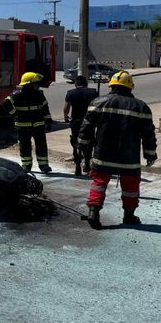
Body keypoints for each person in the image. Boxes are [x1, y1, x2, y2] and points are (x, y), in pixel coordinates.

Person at [77, 71, 157, 229]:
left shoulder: (99, 102)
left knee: (99, 183)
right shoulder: (141, 107)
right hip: (129, 157)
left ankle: (93, 212)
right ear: (130, 87)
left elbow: (86, 127)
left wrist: (81, 144)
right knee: (131, 187)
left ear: (111, 85)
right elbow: (148, 134)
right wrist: (150, 154)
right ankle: (129, 216)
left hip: (103, 154)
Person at [1, 72, 53, 173]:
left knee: (41, 145)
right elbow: (5, 103)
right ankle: (26, 165)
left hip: (38, 125)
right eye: (35, 84)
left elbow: (45, 108)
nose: (37, 86)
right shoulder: (17, 95)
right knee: (25, 146)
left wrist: (48, 121)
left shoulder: (39, 94)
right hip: (23, 126)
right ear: (28, 84)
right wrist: (14, 113)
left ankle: (44, 166)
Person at [63, 75, 98, 176]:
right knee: (89, 141)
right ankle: (87, 163)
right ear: (86, 84)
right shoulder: (93, 93)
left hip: (76, 122)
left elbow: (66, 108)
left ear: (75, 84)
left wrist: (66, 116)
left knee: (76, 142)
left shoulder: (70, 93)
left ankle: (77, 166)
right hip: (89, 121)